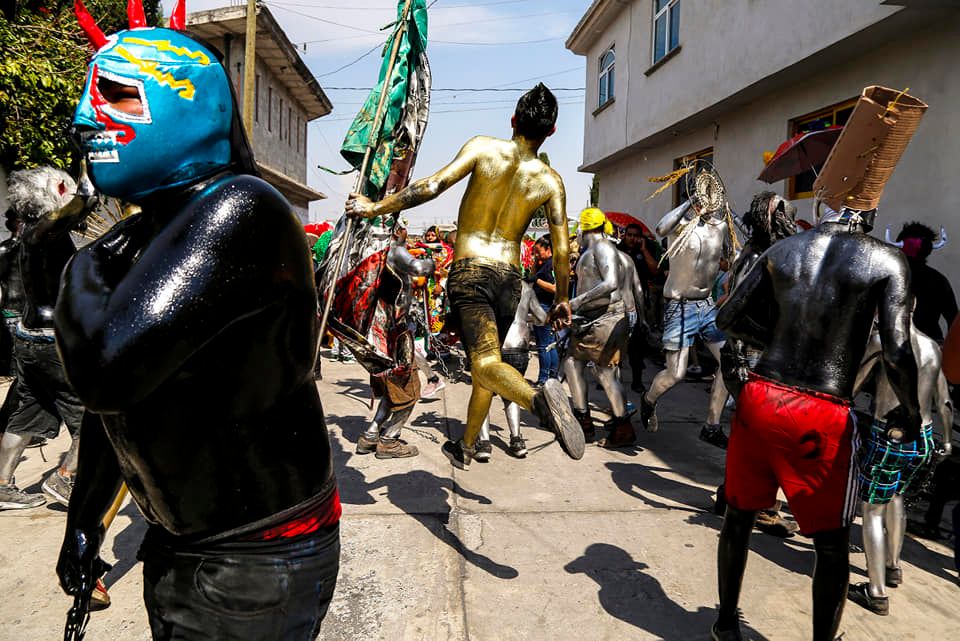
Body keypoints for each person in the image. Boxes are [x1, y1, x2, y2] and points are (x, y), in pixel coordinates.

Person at [55, 4, 340, 639]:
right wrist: (86, 517)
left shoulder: (242, 210)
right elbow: (124, 404)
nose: (83, 117)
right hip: (187, 542)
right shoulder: (138, 239)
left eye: (118, 96)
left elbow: (106, 370)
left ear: (190, 108)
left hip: (257, 554)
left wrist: (73, 266)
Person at [345, 83, 583, 469]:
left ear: (513, 119)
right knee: (486, 367)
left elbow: (432, 185)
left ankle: (538, 402)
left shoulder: (484, 147)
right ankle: (468, 445)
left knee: (486, 363)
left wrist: (374, 208)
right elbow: (559, 249)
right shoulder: (550, 180)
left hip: (471, 271)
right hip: (509, 278)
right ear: (551, 132)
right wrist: (561, 299)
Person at [713, 204, 920, 641]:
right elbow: (898, 350)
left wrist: (783, 340)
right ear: (872, 207)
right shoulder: (887, 258)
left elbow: (727, 318)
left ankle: (725, 624)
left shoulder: (784, 249)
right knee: (830, 544)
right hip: (820, 413)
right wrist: (913, 412)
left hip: (760, 395)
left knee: (738, 517)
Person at [0, 165, 94, 510]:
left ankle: (1, 484)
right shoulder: (45, 231)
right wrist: (88, 167)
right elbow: (82, 201)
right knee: (93, 416)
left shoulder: (26, 237)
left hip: (28, 337)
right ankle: (66, 478)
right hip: (53, 339)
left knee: (27, 412)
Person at [848, 320, 951, 615]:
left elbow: (852, 386)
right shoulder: (933, 346)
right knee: (896, 497)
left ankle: (876, 591)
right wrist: (946, 440)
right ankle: (893, 567)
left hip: (889, 435)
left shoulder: (882, 342)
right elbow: (943, 400)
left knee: (872, 510)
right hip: (924, 437)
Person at [640, 197, 730, 449]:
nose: (708, 201)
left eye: (712, 195)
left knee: (729, 362)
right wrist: (688, 203)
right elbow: (660, 228)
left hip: (707, 306)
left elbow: (730, 257)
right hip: (680, 307)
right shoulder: (679, 227)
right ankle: (649, 400)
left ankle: (711, 425)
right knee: (675, 373)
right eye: (702, 195)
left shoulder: (720, 227)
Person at [356, 227, 436, 459]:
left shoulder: (369, 251)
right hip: (394, 334)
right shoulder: (393, 249)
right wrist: (433, 257)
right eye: (401, 227)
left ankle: (370, 435)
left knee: (392, 391)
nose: (405, 231)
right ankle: (389, 440)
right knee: (408, 391)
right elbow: (421, 268)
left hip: (377, 332)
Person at [563, 209, 634, 447]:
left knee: (605, 372)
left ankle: (621, 426)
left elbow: (611, 283)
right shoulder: (592, 250)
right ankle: (583, 418)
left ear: (583, 229)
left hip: (606, 319)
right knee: (573, 363)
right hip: (594, 319)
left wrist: (577, 302)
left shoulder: (602, 247)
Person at [477, 280, 547, 459]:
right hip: (518, 346)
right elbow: (541, 318)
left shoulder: (487, 281)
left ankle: (484, 444)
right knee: (511, 394)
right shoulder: (526, 288)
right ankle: (517, 440)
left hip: (491, 346)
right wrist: (523, 317)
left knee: (483, 394)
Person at [893, 222, 957, 342]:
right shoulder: (939, 280)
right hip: (932, 347)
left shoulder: (887, 278)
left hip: (894, 348)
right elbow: (953, 321)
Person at [529, 235, 559, 385]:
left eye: (538, 251)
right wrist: (536, 261)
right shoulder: (543, 263)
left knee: (543, 345)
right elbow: (532, 274)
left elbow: (555, 288)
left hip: (544, 306)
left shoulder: (552, 265)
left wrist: (537, 281)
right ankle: (553, 376)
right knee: (549, 344)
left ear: (549, 250)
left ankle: (544, 378)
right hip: (540, 305)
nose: (536, 254)